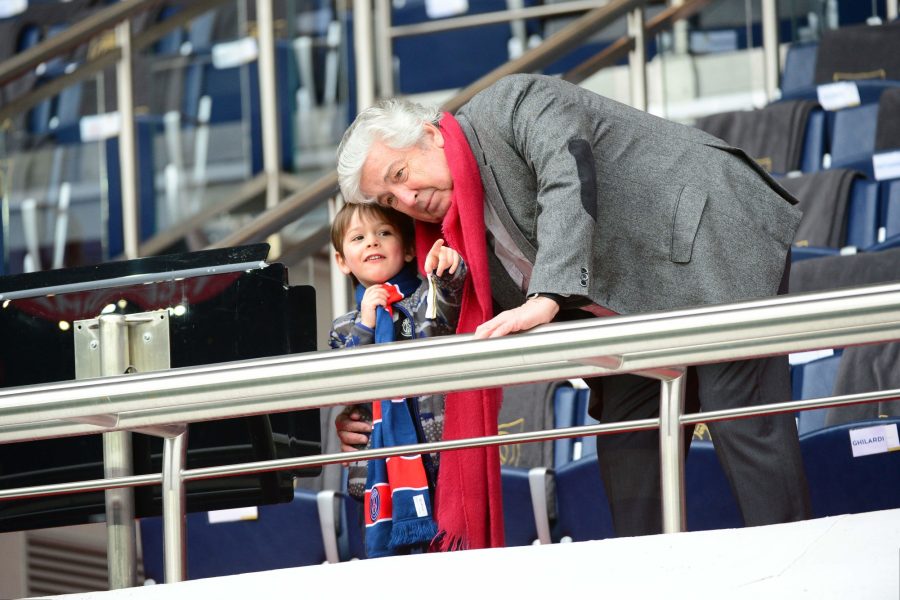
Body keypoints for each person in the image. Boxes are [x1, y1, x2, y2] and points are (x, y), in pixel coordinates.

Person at [335, 73, 811, 537]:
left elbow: (567, 178)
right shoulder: (452, 242)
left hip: (709, 232)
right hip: (626, 302)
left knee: (742, 419)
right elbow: (429, 330)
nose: (407, 198)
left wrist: (547, 296)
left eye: (400, 175)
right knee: (628, 451)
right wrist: (371, 413)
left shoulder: (515, 102)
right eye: (388, 199)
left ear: (431, 135)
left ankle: (797, 568)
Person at [328, 201, 468, 556]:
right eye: (358, 237)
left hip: (440, 458)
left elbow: (446, 309)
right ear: (342, 260)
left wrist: (448, 273)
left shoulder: (423, 299)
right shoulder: (344, 327)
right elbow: (345, 386)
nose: (372, 242)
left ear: (407, 249)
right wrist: (366, 325)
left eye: (384, 233)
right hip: (379, 474)